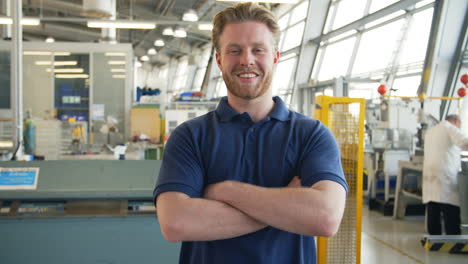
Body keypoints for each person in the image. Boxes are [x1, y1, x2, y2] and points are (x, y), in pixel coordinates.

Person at [153, 3, 347, 264]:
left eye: (258, 49)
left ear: (275, 57)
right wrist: (286, 208)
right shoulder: (190, 136)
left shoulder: (311, 134)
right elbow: (176, 223)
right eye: (235, 50)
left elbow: (325, 218)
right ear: (220, 60)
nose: (246, 60)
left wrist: (227, 191)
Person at [423, 114, 468, 235]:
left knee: (433, 208)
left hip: (430, 173)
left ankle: (434, 240)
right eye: (460, 125)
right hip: (444, 174)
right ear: (456, 122)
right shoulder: (449, 128)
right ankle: (454, 241)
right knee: (450, 209)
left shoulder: (431, 131)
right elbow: (464, 142)